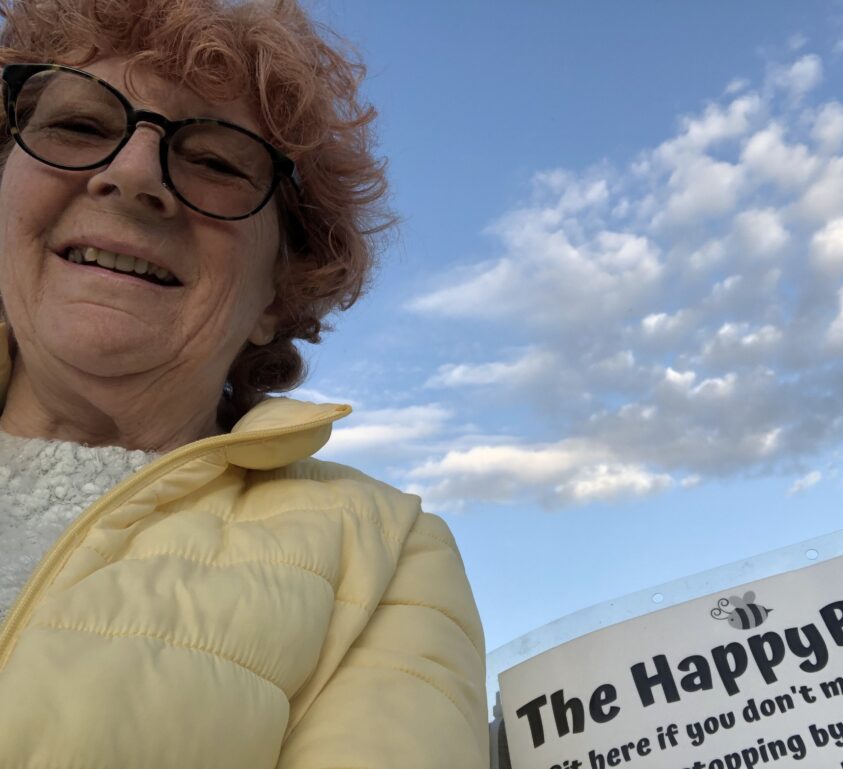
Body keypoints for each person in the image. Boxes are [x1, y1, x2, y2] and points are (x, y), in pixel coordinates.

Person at [0, 0, 487, 767]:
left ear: (276, 294)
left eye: (217, 161)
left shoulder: (380, 551)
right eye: (79, 126)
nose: (130, 173)